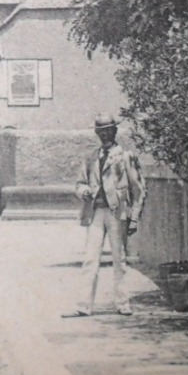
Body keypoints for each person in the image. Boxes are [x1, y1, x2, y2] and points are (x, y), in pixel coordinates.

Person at [73, 114, 146, 317]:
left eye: (108, 131)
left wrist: (134, 218)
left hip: (117, 213)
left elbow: (138, 189)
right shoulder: (90, 158)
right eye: (101, 132)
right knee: (90, 259)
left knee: (119, 259)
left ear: (114, 132)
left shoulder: (125, 157)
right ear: (97, 134)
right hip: (95, 212)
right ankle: (84, 305)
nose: (105, 135)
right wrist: (84, 190)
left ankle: (123, 304)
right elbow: (79, 183)